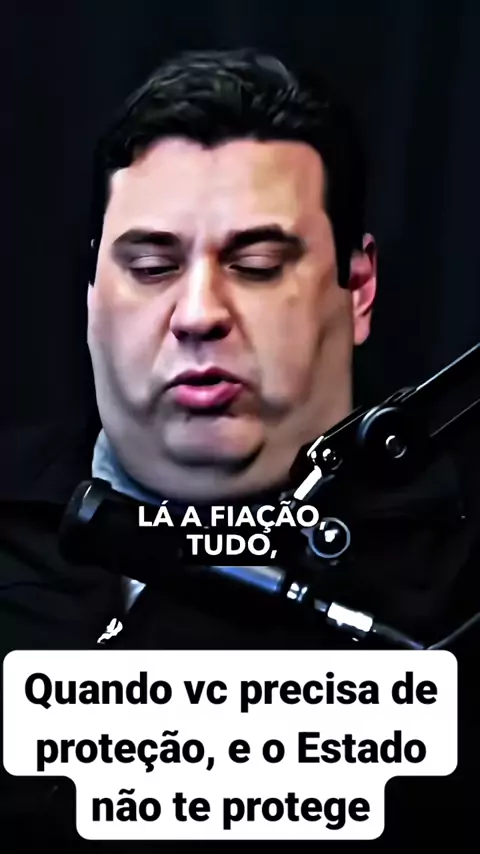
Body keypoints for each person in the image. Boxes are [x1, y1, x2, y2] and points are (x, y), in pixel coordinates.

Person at [0, 48, 477, 850]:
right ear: (91, 292)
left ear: (358, 288)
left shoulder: (460, 569)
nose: (198, 314)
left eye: (256, 266)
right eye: (151, 266)